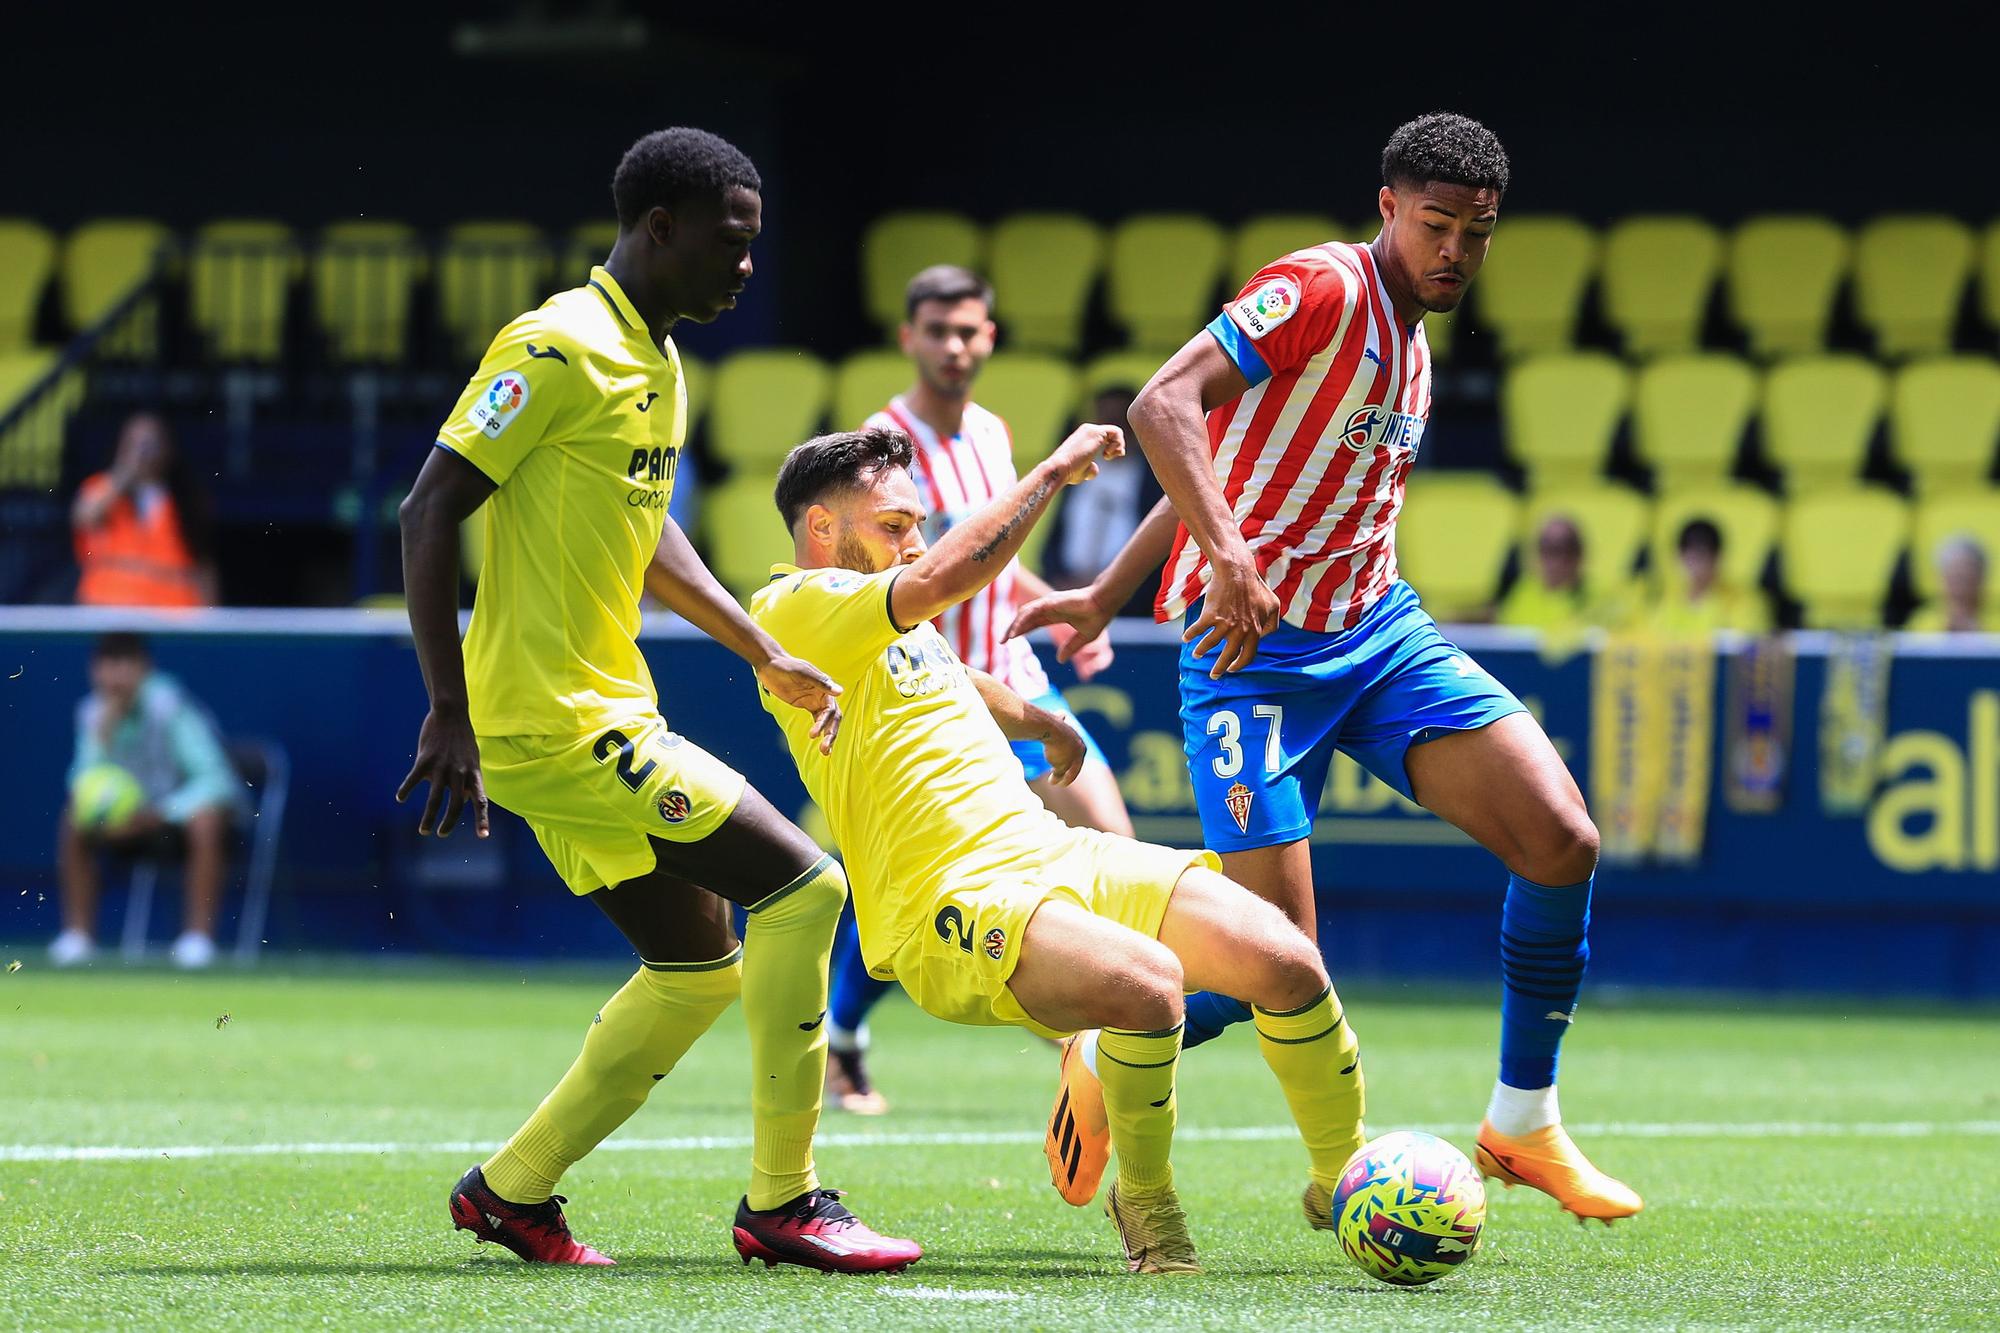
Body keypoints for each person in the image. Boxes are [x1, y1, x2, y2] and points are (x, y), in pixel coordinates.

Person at [1010, 112, 1641, 1222]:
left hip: (1379, 637)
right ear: (1387, 205)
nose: (1454, 250)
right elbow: (1165, 406)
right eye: (1435, 223)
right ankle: (1109, 1052)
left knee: (1561, 840)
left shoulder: (1415, 340)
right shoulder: (1319, 288)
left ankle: (1521, 1122)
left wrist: (1107, 592)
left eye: (1477, 233)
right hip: (1249, 664)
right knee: (1280, 962)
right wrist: (1226, 555)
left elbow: (1234, 455)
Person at [395, 127, 918, 1274]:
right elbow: (428, 509)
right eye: (731, 246)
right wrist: (449, 708)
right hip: (552, 718)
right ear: (660, 229)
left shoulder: (659, 360)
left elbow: (646, 531)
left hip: (596, 708)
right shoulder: (556, 346)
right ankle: (785, 1203)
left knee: (698, 969)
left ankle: (511, 1192)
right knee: (803, 884)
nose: (745, 266)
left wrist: (755, 647)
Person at [750, 426, 1367, 1274]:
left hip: (1050, 850)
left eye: (917, 523)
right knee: (1151, 986)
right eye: (894, 525)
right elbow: (946, 578)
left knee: (1291, 960)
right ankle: (1145, 1198)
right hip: (948, 901)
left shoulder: (882, 624)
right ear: (822, 527)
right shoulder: (792, 609)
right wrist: (1050, 472)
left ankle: (1347, 1180)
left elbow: (954, 675)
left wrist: (1039, 719)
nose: (914, 542)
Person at [820, 265, 1137, 1114]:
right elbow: (910, 571)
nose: (954, 345)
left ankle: (1094, 1039)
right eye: (937, 330)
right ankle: (841, 1037)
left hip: (1018, 684)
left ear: (990, 338)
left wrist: (1055, 612)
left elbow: (996, 555)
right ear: (908, 339)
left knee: (1115, 843)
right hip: (933, 700)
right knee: (916, 893)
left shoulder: (993, 432)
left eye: (969, 330)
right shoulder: (880, 447)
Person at [50, 632, 241, 970]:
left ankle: (197, 940)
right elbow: (83, 781)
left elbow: (216, 780)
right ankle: (78, 937)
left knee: (207, 819)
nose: (116, 676)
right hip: (126, 826)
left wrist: (161, 813)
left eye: (125, 664)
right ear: (94, 670)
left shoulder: (170, 705)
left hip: (178, 824)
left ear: (144, 668)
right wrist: (103, 738)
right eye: (107, 665)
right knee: (73, 817)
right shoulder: (93, 713)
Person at [1042, 386, 1168, 618]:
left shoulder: (1158, 478)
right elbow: (1054, 540)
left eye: (1121, 420)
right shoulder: (1075, 473)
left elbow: (1161, 549)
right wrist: (1059, 582)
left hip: (1132, 609)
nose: (1113, 431)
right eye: (1106, 420)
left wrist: (1111, 587)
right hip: (1068, 593)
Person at [71, 412, 217, 608]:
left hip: (171, 616)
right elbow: (84, 517)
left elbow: (202, 565)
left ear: (168, 448)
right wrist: (126, 472)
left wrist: (209, 621)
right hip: (109, 612)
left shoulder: (186, 499)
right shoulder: (102, 488)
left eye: (151, 443)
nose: (143, 451)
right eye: (135, 442)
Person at [1646, 517, 1769, 635]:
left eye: (1701, 556)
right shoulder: (1658, 598)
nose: (1693, 566)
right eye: (1688, 556)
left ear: (1717, 557)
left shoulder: (1745, 601)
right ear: (1678, 556)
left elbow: (1746, 645)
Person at [1496, 516, 1599, 630]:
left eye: (1567, 547)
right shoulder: (1522, 591)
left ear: (1580, 553)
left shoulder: (1599, 597)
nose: (1558, 559)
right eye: (1548, 547)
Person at [1905, 535, 1995, 633]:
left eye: (1967, 577)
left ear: (1981, 578)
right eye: (1954, 577)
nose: (1960, 587)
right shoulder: (1921, 624)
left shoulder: (1995, 624)